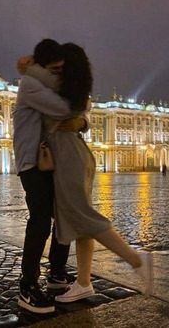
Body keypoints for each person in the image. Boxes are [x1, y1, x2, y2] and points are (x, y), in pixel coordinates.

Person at [22, 43, 153, 304]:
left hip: (69, 157)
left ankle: (137, 259)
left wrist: (30, 68)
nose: (56, 71)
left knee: (83, 217)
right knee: (74, 221)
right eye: (54, 67)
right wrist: (84, 118)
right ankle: (83, 282)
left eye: (61, 67)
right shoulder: (66, 88)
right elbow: (77, 107)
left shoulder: (57, 89)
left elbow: (66, 108)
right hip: (69, 155)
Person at [13, 39, 86, 314]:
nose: (59, 73)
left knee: (63, 215)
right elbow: (65, 109)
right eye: (55, 68)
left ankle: (56, 274)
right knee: (40, 220)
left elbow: (70, 115)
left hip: (51, 160)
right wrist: (81, 105)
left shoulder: (42, 82)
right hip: (31, 161)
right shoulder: (31, 84)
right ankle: (27, 285)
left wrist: (83, 121)